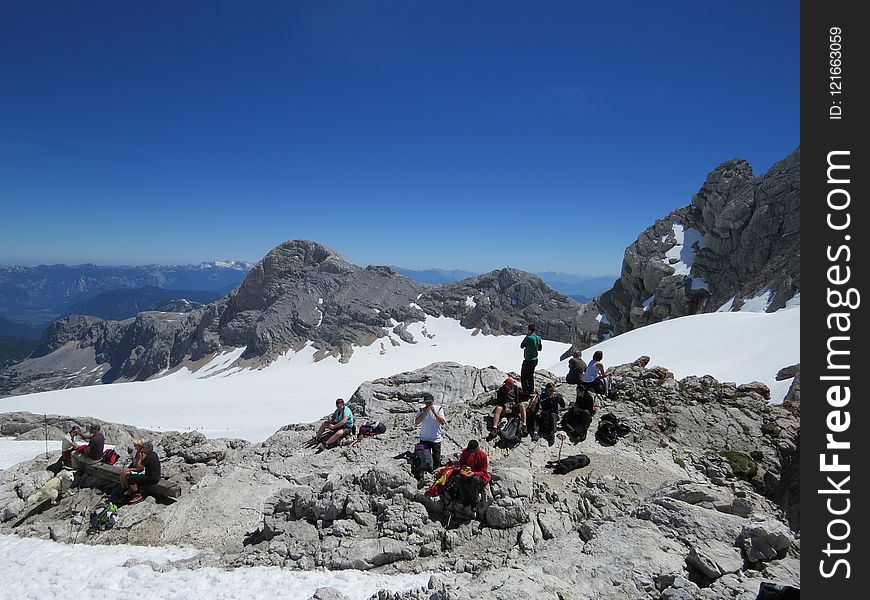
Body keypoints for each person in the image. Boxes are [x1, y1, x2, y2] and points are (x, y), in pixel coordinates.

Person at [121, 439, 160, 504]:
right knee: (135, 477)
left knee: (131, 479)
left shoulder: (148, 456)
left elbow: (139, 467)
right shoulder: (154, 454)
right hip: (156, 476)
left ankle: (138, 495)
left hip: (152, 478)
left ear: (147, 449)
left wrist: (141, 458)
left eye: (143, 448)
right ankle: (132, 492)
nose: (142, 449)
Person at [454, 439, 491, 507]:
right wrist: (464, 466)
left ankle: (474, 503)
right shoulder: (466, 451)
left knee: (475, 479)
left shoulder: (483, 456)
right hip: (467, 474)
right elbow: (461, 462)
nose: (471, 453)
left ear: (477, 449)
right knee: (457, 477)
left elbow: (483, 472)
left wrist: (474, 473)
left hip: (478, 477)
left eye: (472, 451)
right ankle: (465, 499)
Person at [415, 392, 446, 469]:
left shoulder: (439, 408)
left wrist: (434, 412)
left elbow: (442, 422)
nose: (428, 404)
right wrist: (425, 413)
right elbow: (417, 422)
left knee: (436, 459)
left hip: (435, 439)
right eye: (427, 403)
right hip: (424, 438)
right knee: (425, 459)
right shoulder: (421, 409)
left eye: (430, 403)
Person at [519, 324, 542, 393]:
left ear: (529, 330)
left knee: (523, 376)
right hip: (535, 359)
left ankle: (525, 390)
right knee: (530, 375)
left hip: (529, 360)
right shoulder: (538, 338)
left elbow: (522, 345)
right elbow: (540, 348)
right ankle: (531, 389)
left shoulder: (528, 338)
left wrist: (527, 336)